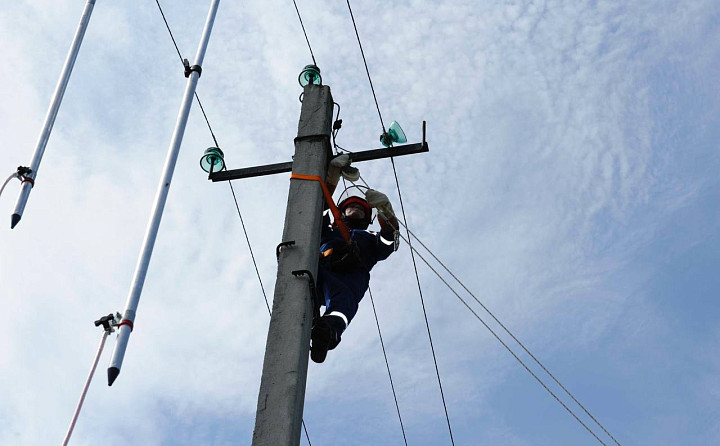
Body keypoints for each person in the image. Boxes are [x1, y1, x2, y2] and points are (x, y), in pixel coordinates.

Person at [310, 155, 399, 363]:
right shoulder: (327, 231)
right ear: (340, 212)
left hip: (348, 277)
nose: (356, 211)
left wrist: (386, 211)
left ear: (368, 219)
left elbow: (389, 242)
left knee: (344, 302)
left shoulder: (368, 239)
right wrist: (332, 176)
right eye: (352, 208)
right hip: (319, 268)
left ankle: (327, 331)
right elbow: (317, 205)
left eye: (361, 210)